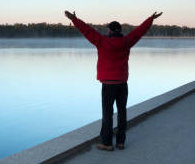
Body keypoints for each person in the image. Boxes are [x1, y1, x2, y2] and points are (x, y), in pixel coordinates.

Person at [64, 10, 162, 151]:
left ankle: (107, 143)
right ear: (120, 31)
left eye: (108, 29)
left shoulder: (102, 41)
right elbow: (139, 32)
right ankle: (120, 142)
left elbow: (88, 31)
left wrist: (74, 19)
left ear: (110, 31)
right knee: (122, 113)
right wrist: (150, 19)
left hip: (108, 85)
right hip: (122, 84)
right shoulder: (127, 41)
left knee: (107, 114)